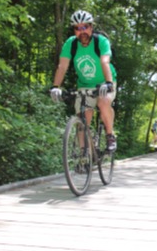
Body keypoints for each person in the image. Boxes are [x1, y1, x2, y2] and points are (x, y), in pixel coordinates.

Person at [50, 10, 117, 151]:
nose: (82, 31)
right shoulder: (71, 44)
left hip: (105, 82)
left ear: (91, 27)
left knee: (104, 101)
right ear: (74, 31)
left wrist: (108, 83)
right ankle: (83, 155)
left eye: (85, 27)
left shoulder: (101, 41)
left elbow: (105, 62)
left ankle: (110, 135)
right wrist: (55, 86)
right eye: (77, 28)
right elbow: (62, 66)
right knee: (82, 120)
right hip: (84, 85)